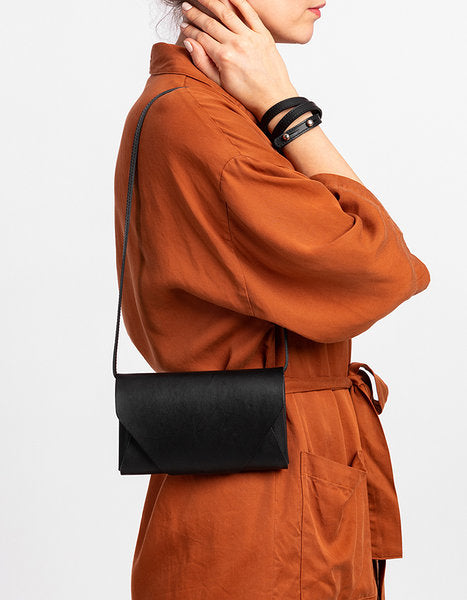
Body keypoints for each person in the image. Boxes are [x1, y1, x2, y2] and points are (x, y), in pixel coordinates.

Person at [113, 0, 431, 598]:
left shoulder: (215, 113)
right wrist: (288, 108)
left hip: (278, 478)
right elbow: (381, 268)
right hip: (267, 497)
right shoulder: (200, 123)